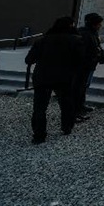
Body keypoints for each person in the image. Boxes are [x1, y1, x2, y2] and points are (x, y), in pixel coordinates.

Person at [25, 16, 84, 144]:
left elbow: (29, 59)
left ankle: (39, 135)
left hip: (43, 77)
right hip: (64, 77)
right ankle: (67, 127)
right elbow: (81, 60)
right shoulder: (75, 40)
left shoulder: (42, 41)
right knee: (66, 104)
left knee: (39, 108)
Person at [75, 12, 104, 118]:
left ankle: (81, 105)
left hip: (90, 65)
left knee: (83, 86)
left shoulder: (93, 33)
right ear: (94, 23)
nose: (100, 26)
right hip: (83, 66)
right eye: (99, 23)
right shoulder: (84, 34)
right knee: (79, 87)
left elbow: (97, 47)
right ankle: (76, 110)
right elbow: (83, 51)